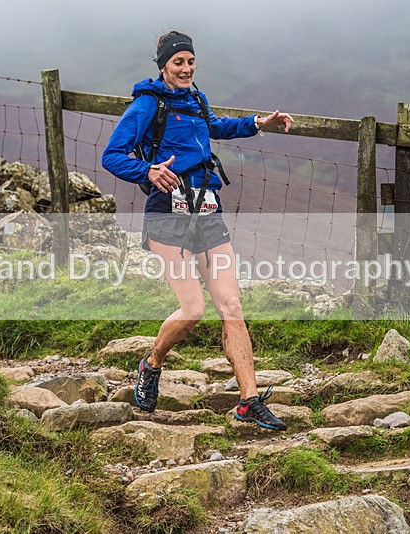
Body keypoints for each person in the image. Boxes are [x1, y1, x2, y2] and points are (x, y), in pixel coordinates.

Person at [101, 31, 294, 430]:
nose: (186, 68)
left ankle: (249, 401)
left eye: (190, 61)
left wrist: (260, 123)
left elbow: (215, 127)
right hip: (166, 216)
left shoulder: (196, 100)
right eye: (178, 63)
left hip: (207, 208)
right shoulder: (146, 104)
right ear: (163, 66)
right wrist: (148, 171)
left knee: (232, 307)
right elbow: (112, 155)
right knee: (193, 310)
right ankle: (152, 363)